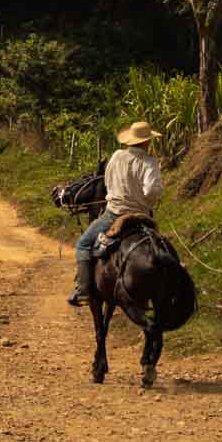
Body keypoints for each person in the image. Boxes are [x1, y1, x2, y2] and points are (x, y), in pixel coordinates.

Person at [68, 121, 162, 305]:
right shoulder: (150, 162)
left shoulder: (117, 156)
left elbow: (108, 181)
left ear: (130, 140)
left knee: (83, 245)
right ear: (147, 142)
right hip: (142, 215)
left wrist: (116, 195)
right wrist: (148, 202)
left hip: (114, 214)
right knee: (160, 246)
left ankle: (84, 291)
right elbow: (151, 190)